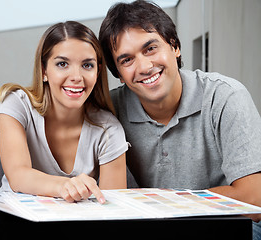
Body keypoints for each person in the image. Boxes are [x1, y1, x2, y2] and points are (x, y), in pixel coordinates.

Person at [99, 0, 261, 235]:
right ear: (119, 75)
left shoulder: (225, 96)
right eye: (127, 60)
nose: (144, 66)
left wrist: (167, 202)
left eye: (150, 48)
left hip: (226, 227)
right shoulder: (110, 111)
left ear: (174, 47)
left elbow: (254, 199)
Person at [0, 21, 128, 204]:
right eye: (62, 64)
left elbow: (114, 209)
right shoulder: (16, 104)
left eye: (87, 65)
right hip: (15, 221)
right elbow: (18, 176)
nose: (76, 77)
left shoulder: (108, 129)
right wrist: (65, 186)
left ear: (97, 72)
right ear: (44, 70)